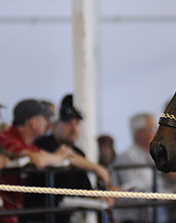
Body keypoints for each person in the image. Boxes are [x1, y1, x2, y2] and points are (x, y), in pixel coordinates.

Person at [23, 94, 111, 223]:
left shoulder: (79, 152)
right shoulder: (42, 144)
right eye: (68, 122)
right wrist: (97, 168)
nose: (74, 128)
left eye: (77, 123)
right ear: (53, 125)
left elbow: (84, 189)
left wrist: (106, 195)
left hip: (65, 217)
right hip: (40, 217)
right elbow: (68, 156)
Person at [0, 99, 75, 223]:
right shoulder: (4, 139)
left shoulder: (24, 143)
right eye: (44, 119)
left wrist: (97, 169)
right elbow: (38, 159)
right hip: (0, 215)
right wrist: (59, 157)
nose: (47, 123)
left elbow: (40, 156)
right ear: (33, 122)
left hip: (9, 214)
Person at [111, 112, 166, 223]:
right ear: (139, 133)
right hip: (132, 219)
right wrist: (172, 195)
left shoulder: (152, 156)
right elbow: (134, 190)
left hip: (154, 217)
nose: (157, 133)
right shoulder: (127, 157)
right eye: (153, 128)